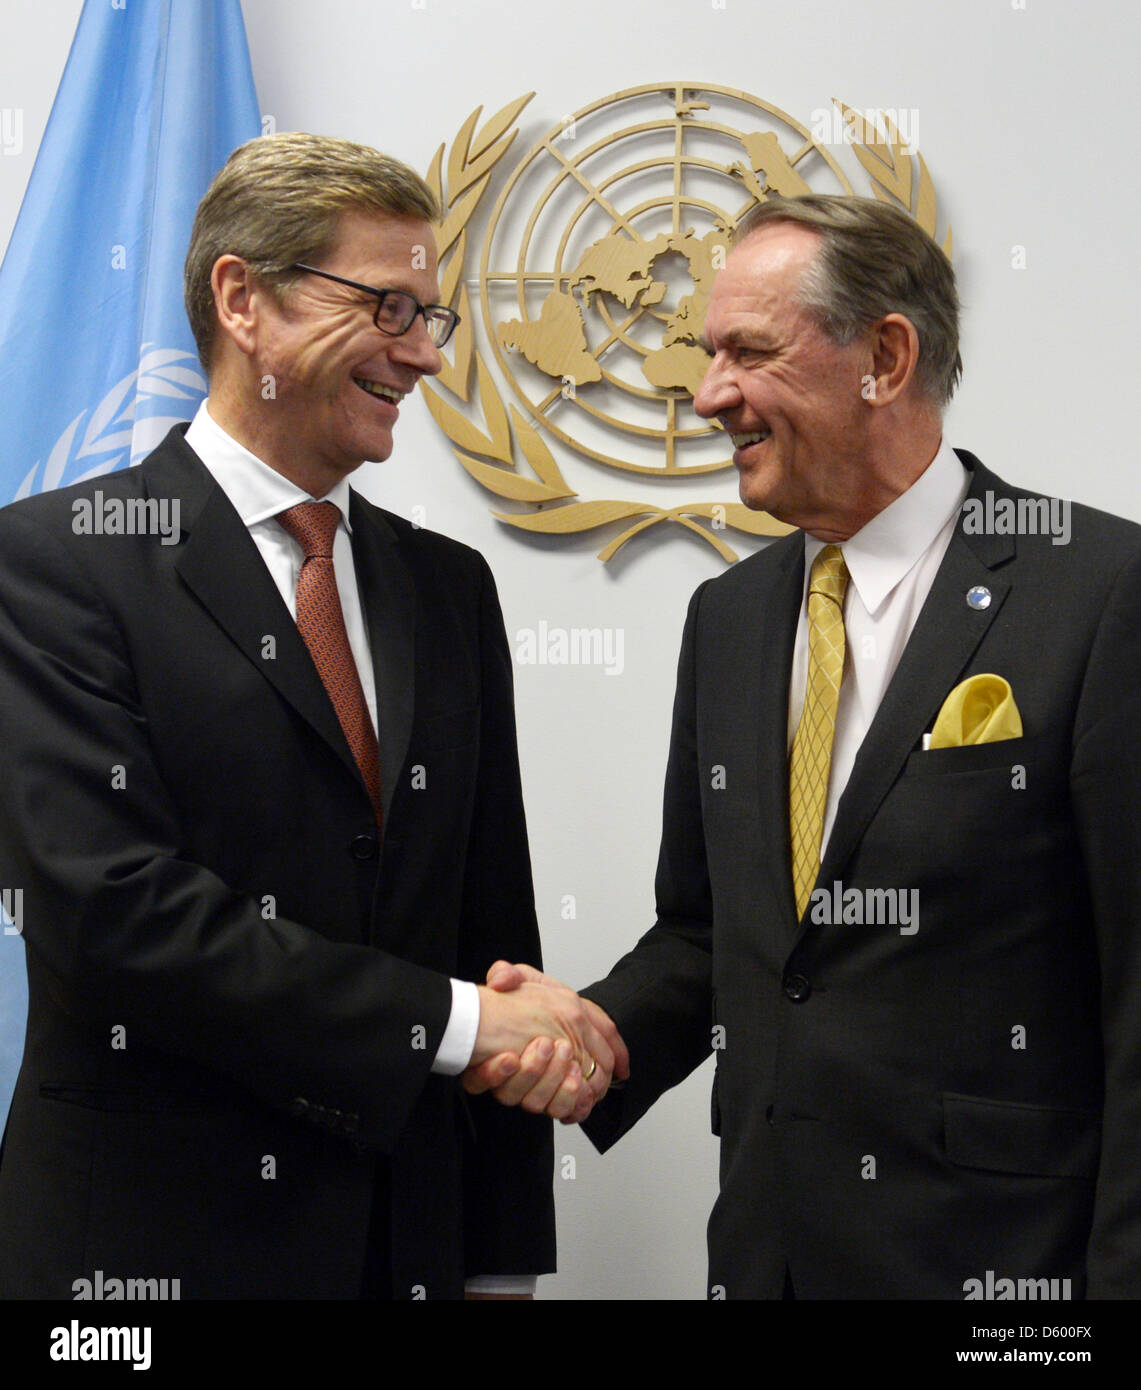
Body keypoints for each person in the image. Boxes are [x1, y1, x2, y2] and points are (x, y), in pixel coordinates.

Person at [466, 194, 1141, 1300]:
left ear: (884, 355)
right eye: (706, 352)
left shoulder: (1099, 594)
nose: (709, 391)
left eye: (747, 352)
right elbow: (710, 934)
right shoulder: (729, 618)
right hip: (767, 1261)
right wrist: (581, 1039)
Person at [0, 131, 625, 1301]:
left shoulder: (446, 588)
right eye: (389, 307)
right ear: (243, 297)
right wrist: (453, 1025)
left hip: (406, 1253)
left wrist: (500, 1257)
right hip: (142, 1262)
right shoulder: (52, 567)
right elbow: (115, 915)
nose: (423, 358)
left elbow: (490, 927)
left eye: (430, 318)